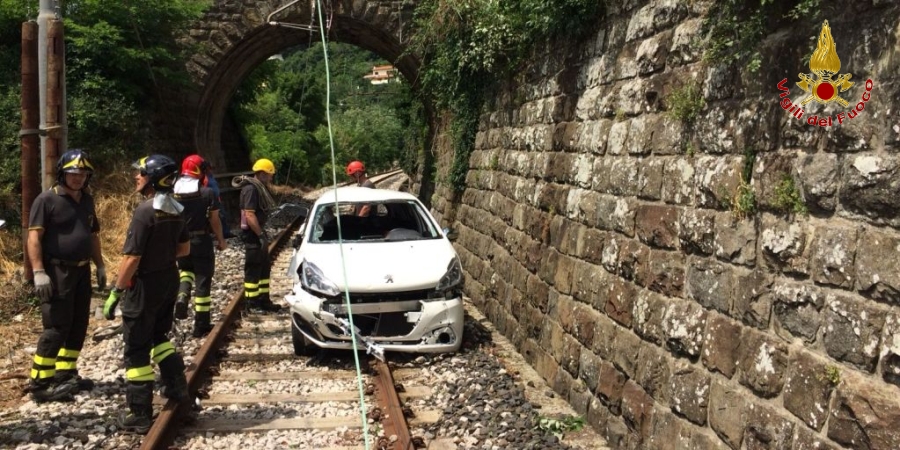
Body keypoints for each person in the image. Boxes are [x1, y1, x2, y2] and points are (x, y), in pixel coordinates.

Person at [102, 154, 190, 433]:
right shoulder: (176, 208)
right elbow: (184, 250)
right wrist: (162, 258)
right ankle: (177, 386)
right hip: (168, 280)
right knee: (159, 337)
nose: (135, 177)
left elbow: (131, 258)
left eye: (140, 173)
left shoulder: (144, 211)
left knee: (137, 347)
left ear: (152, 179)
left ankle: (138, 413)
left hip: (143, 288)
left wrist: (116, 291)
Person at [26, 149, 106, 403]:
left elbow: (93, 235)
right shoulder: (46, 200)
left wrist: (100, 266)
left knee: (78, 323)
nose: (78, 179)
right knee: (57, 326)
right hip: (57, 271)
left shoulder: (87, 200)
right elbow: (34, 237)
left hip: (82, 270)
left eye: (83, 174)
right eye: (73, 174)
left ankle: (65, 374)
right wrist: (39, 272)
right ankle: (40, 383)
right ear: (62, 173)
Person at [173, 154, 227, 337]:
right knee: (203, 279)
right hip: (201, 240)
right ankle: (201, 324)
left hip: (180, 242)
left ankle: (182, 296)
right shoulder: (207, 193)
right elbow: (214, 220)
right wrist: (221, 239)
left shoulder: (172, 192)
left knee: (186, 271)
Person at [236, 158, 281, 312]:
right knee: (253, 269)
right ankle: (252, 303)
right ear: (261, 174)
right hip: (252, 235)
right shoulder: (251, 189)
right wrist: (260, 235)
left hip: (258, 233)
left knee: (264, 268)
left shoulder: (259, 188)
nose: (271, 177)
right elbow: (249, 215)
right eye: (269, 174)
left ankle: (263, 300)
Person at [204, 165, 233, 238]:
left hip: (216, 199)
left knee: (223, 216)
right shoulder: (206, 178)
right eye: (210, 169)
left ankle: (225, 232)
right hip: (213, 200)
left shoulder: (210, 177)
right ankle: (222, 233)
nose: (211, 170)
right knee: (219, 217)